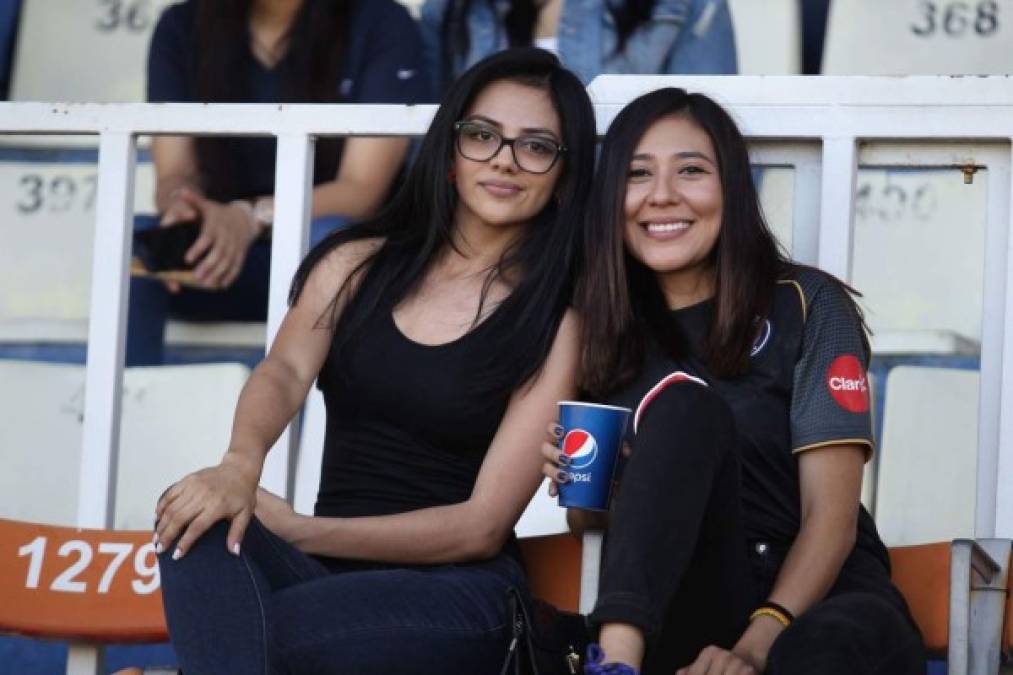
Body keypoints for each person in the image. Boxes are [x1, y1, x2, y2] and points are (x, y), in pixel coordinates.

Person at [152, 48, 597, 674]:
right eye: (483, 135)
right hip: (322, 574)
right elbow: (283, 372)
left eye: (537, 146)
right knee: (193, 515)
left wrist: (302, 530)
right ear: (449, 153)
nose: (504, 158)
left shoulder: (558, 319)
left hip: (457, 593)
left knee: (257, 634)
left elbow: (480, 527)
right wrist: (237, 467)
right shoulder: (355, 264)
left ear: (563, 176)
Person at [541, 88, 925, 674]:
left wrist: (753, 647)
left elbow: (832, 518)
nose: (662, 195)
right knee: (684, 410)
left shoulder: (806, 303)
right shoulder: (602, 327)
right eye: (637, 174)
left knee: (824, 649)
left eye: (691, 170)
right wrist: (593, 482)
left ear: (733, 189)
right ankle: (612, 664)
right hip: (689, 600)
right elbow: (589, 522)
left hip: (821, 603)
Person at [127, 0, 429, 365]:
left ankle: (311, 419)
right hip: (226, 260)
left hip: (340, 262)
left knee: (331, 243)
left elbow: (361, 191)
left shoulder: (380, 21)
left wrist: (249, 217)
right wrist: (183, 205)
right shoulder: (181, 25)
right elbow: (175, 171)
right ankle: (129, 410)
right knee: (136, 246)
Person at [420, 0, 738, 96]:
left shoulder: (686, 5)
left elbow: (719, 142)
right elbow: (428, 146)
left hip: (621, 235)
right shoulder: (449, 10)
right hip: (500, 238)